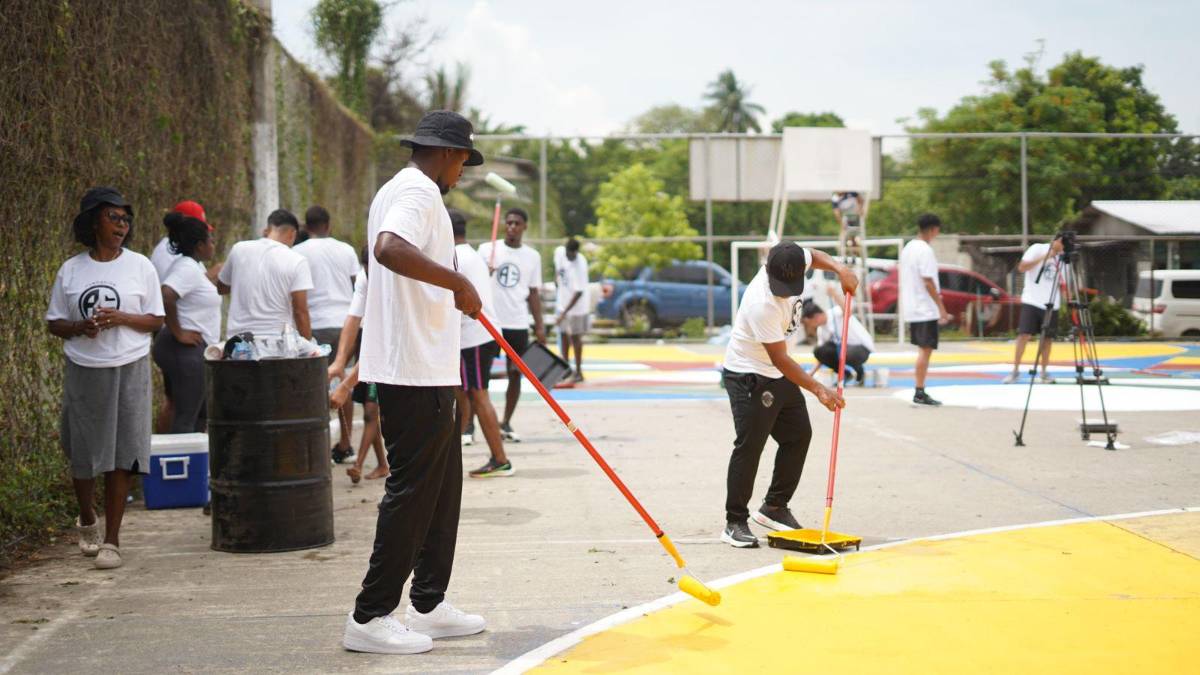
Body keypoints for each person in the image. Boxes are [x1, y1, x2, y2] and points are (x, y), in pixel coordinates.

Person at [343, 110, 486, 655]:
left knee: (443, 487)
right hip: (411, 371)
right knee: (410, 493)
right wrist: (457, 280)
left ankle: (428, 602)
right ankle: (370, 614)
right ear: (448, 154)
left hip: (428, 366)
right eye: (463, 162)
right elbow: (387, 248)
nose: (462, 173)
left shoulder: (407, 189)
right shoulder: (417, 192)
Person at [46, 187, 165, 570]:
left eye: (126, 219)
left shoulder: (141, 266)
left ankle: (112, 540)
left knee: (123, 453)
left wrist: (122, 318)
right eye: (114, 217)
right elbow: (55, 324)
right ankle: (87, 517)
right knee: (84, 452)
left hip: (130, 366)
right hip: (85, 369)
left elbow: (156, 320)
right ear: (93, 221)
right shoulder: (72, 269)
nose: (122, 225)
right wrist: (82, 326)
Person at [720, 241, 856, 548]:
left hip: (778, 373)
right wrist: (819, 388)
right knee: (750, 446)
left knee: (798, 436)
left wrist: (840, 268)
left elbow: (815, 256)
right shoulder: (761, 303)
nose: (787, 292)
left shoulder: (795, 259)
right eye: (782, 286)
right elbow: (780, 358)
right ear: (768, 272)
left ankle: (774, 507)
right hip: (750, 375)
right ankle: (734, 522)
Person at [450, 210, 512, 478]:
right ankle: (453, 453)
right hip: (478, 336)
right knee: (465, 394)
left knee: (477, 394)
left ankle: (500, 459)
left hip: (476, 336)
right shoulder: (471, 255)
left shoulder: (455, 258)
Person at [295, 204, 360, 461]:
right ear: (328, 225)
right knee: (344, 382)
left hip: (316, 324)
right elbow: (358, 287)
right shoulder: (346, 250)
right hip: (346, 324)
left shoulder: (297, 253)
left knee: (315, 385)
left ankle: (318, 447)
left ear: (306, 227)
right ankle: (345, 445)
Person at [477, 208, 545, 442]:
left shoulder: (532, 256)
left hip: (517, 323)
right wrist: (484, 272)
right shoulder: (487, 250)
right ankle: (469, 426)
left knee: (516, 374)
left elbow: (533, 293)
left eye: (517, 223)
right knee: (479, 377)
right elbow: (474, 281)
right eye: (509, 223)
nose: (512, 227)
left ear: (524, 226)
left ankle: (505, 422)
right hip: (490, 322)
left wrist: (539, 325)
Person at [152, 212, 220, 433]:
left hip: (190, 349)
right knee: (186, 416)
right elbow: (166, 295)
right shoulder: (186, 268)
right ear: (200, 245)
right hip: (182, 348)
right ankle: (181, 464)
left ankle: (198, 464)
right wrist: (179, 332)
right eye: (210, 240)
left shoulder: (194, 266)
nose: (213, 244)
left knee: (201, 413)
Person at [328, 245, 388, 484]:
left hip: (397, 350)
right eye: (367, 269)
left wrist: (345, 384)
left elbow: (381, 347)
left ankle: (362, 463)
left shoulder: (397, 281)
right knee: (370, 410)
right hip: (372, 344)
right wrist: (339, 361)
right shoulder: (366, 277)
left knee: (373, 411)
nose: (370, 275)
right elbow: (353, 319)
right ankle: (381, 463)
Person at [217, 209, 313, 339]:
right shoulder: (297, 260)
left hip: (238, 344)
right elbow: (300, 311)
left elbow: (221, 287)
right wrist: (308, 346)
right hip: (277, 344)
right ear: (292, 234)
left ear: (266, 230)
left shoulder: (239, 249)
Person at [899, 213, 950, 406]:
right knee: (925, 350)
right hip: (925, 308)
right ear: (933, 229)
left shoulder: (908, 248)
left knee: (923, 349)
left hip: (913, 306)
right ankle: (919, 390)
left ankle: (920, 389)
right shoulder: (925, 250)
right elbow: (928, 281)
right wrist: (941, 308)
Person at [1002, 234, 1066, 384]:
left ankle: (1043, 372)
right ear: (1056, 241)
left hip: (1051, 303)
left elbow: (1063, 283)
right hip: (1032, 300)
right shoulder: (1037, 248)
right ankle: (1015, 370)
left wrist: (1067, 301)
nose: (1063, 247)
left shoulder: (1064, 259)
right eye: (1062, 243)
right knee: (1024, 335)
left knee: (1047, 339)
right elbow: (1022, 267)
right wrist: (1047, 256)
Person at [801, 299, 874, 385]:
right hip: (843, 350)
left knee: (846, 353)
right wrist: (811, 373)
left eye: (810, 323)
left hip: (861, 348)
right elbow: (821, 357)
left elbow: (848, 309)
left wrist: (833, 294)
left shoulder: (835, 313)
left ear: (816, 317)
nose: (810, 326)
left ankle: (859, 370)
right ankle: (845, 374)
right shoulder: (821, 330)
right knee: (819, 351)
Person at [554, 238, 590, 383]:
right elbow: (558, 271)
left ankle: (579, 371)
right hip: (562, 302)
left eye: (573, 255)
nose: (570, 257)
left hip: (578, 307)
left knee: (575, 338)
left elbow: (579, 292)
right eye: (569, 254)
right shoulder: (559, 253)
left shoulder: (580, 264)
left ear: (576, 252)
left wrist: (563, 314)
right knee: (563, 335)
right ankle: (565, 368)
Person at [150, 200, 208, 281]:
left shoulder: (187, 249)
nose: (204, 235)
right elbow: (170, 289)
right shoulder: (166, 251)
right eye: (200, 230)